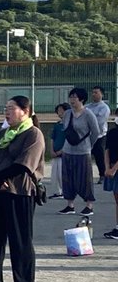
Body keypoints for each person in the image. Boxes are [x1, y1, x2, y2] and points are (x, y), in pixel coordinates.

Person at [0, 96, 45, 282]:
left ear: (25, 111)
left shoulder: (34, 134)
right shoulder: (4, 133)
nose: (6, 112)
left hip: (21, 190)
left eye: (11, 108)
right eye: (5, 108)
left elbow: (24, 164)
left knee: (20, 236)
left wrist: (0, 176)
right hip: (0, 189)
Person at [59, 87, 100, 216]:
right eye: (70, 97)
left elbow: (96, 132)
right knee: (67, 178)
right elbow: (65, 129)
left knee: (84, 178)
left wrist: (89, 145)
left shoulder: (88, 114)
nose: (72, 100)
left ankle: (89, 205)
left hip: (83, 151)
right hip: (68, 150)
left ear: (81, 99)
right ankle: (70, 205)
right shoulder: (67, 114)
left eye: (75, 97)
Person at [87, 86, 111, 183]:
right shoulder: (87, 107)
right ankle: (86, 176)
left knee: (99, 156)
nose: (94, 94)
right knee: (86, 157)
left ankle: (102, 175)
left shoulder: (104, 108)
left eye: (96, 92)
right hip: (87, 136)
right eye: (93, 92)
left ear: (102, 94)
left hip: (100, 136)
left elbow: (100, 122)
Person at [103, 119, 118, 241]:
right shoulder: (112, 132)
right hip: (112, 166)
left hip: (115, 168)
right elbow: (107, 150)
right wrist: (107, 167)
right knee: (117, 199)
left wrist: (114, 169)